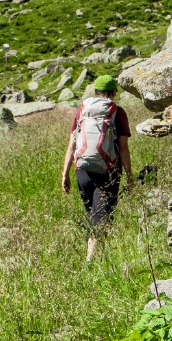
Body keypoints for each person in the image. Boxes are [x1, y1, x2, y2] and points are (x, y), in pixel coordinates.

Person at [61, 74, 134, 260]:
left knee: (94, 216)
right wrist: (129, 176)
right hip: (108, 172)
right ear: (114, 93)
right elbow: (123, 148)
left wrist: (65, 174)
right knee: (100, 220)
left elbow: (72, 145)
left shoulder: (82, 111)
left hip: (82, 171)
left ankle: (99, 257)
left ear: (95, 92)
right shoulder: (118, 112)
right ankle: (91, 263)